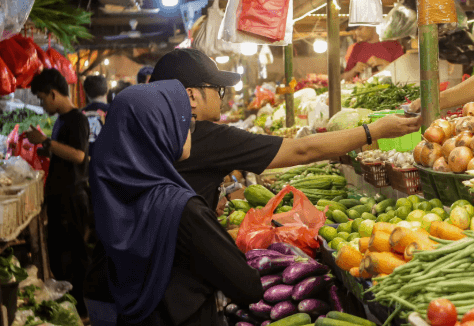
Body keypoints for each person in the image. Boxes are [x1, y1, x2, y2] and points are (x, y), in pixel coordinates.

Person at [90, 81, 262, 326]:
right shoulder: (180, 207)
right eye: (185, 123)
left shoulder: (115, 193)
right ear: (159, 130)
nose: (190, 132)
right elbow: (247, 286)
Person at [150, 49, 421, 209]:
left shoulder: (158, 130)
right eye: (217, 89)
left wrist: (221, 188)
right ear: (190, 96)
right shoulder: (203, 136)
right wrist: (373, 130)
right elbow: (303, 149)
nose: (221, 96)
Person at [26, 69, 91, 316]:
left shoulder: (77, 120)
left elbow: (78, 155)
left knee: (73, 257)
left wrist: (45, 142)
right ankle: (70, 308)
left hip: (72, 199)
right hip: (61, 198)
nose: (42, 105)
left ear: (53, 94)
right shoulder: (63, 121)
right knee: (61, 256)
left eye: (42, 98)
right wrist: (43, 149)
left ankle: (81, 311)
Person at [341, 25, 405, 81]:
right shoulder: (357, 48)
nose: (357, 33)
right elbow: (344, 78)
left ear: (371, 26)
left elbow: (404, 73)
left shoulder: (393, 45)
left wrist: (383, 63)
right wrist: (354, 70)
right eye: (355, 30)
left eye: (360, 29)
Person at [81, 75, 109, 157]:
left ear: (86, 92)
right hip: (109, 164)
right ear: (106, 90)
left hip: (86, 162)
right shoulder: (115, 111)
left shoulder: (79, 114)